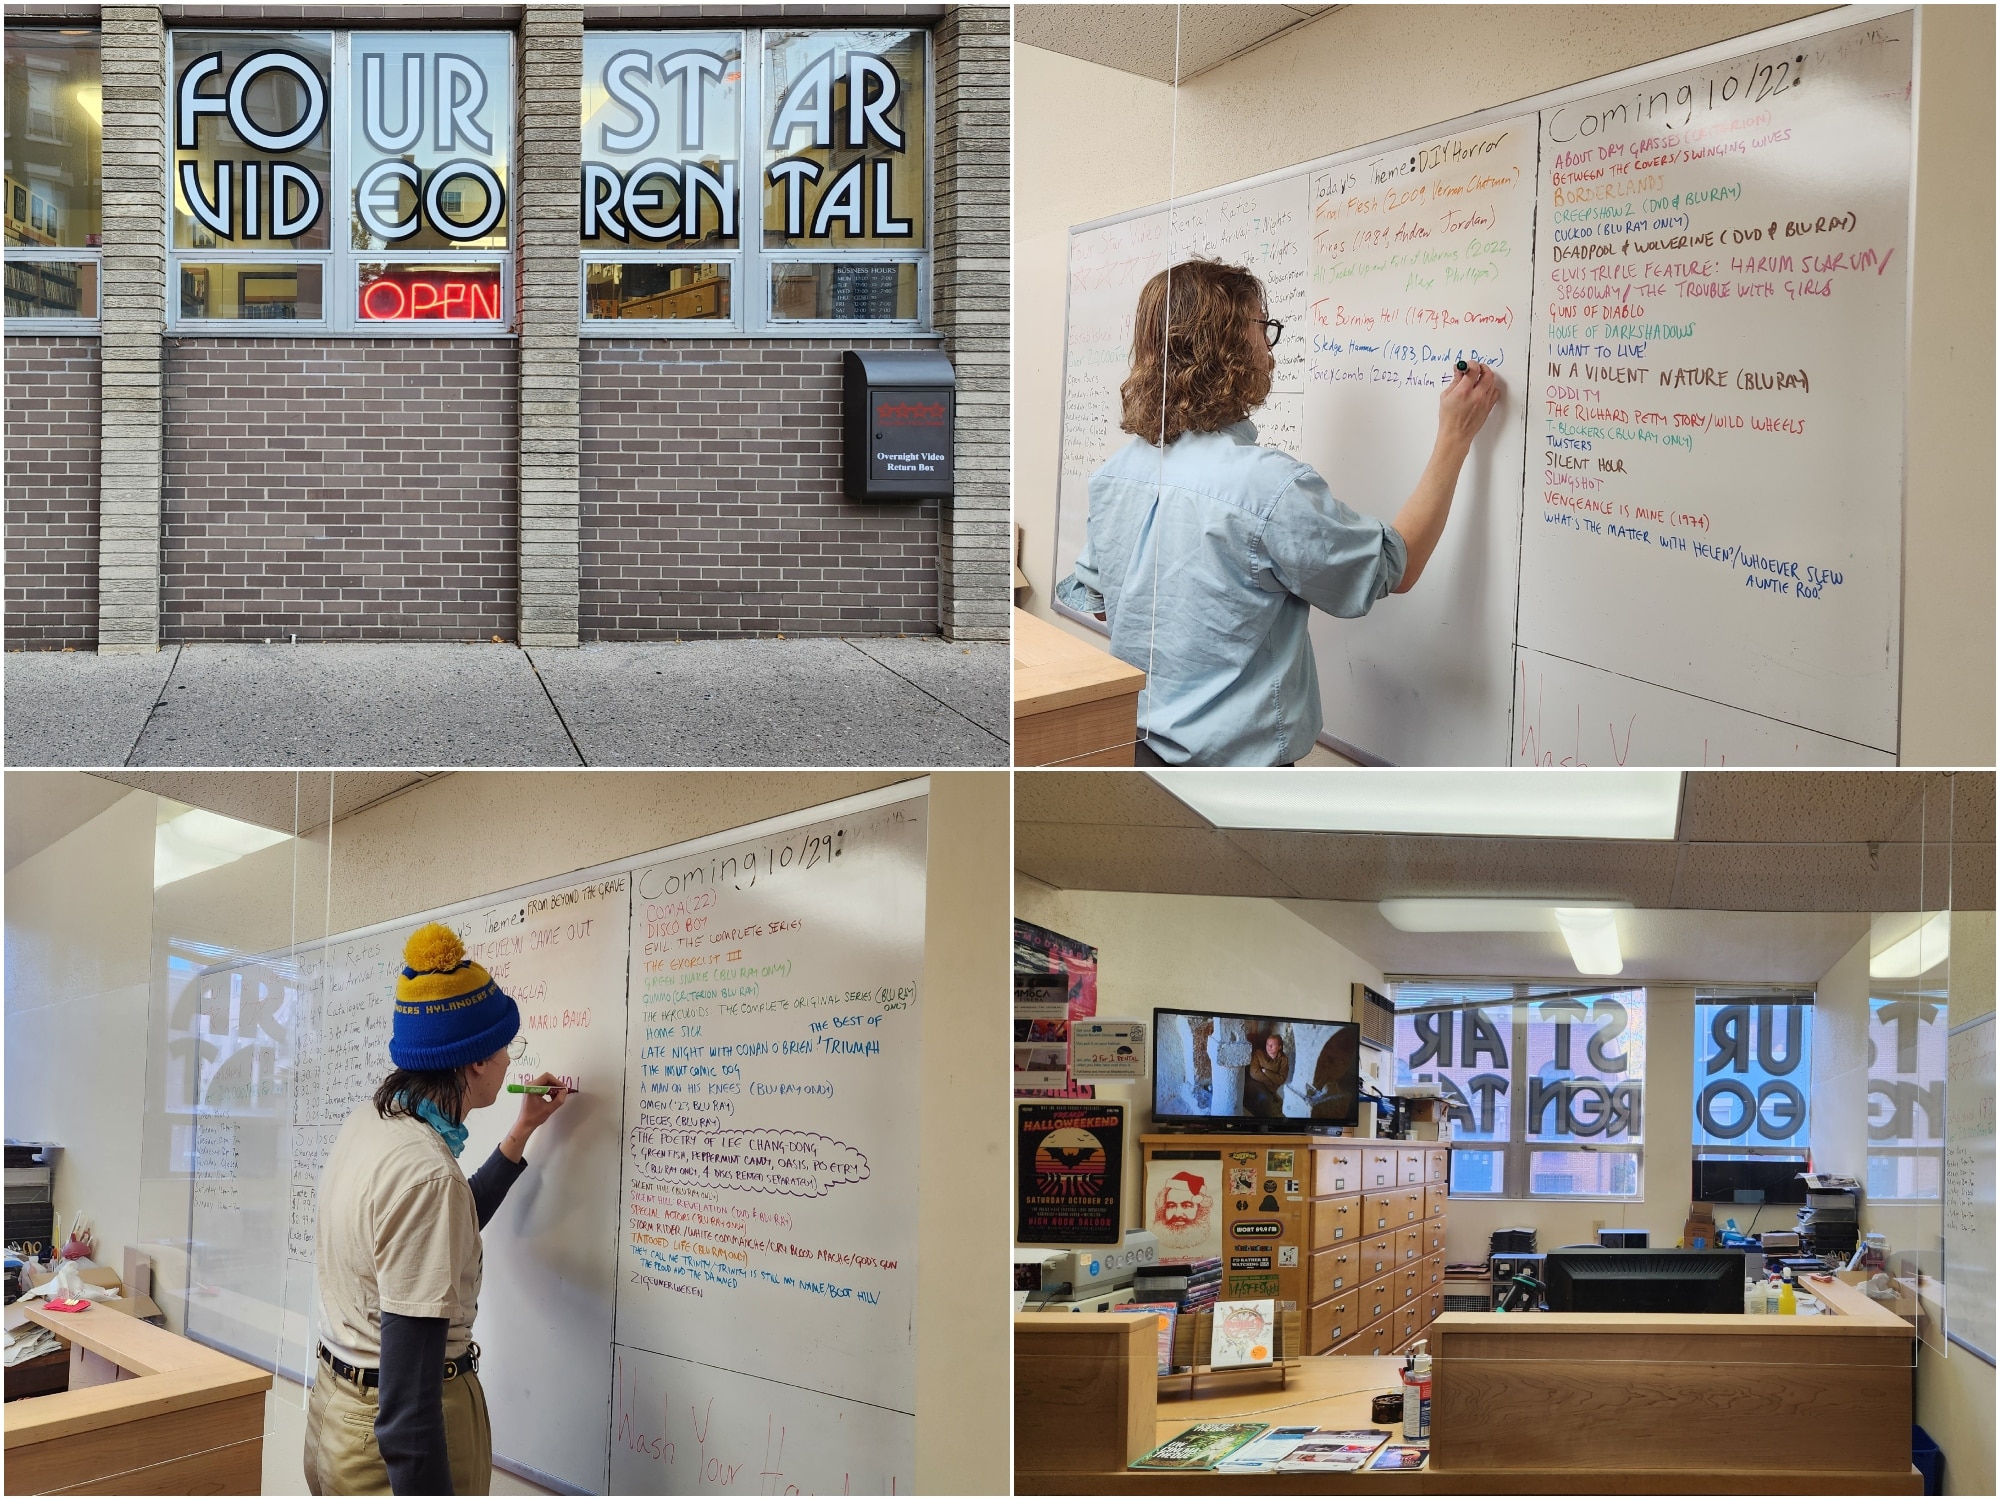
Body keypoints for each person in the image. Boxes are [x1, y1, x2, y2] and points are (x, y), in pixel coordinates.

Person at [1057, 258, 1505, 765]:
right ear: (1225, 345)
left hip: (1135, 751)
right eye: (1260, 328)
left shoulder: (1115, 472)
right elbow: (1391, 569)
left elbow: (1098, 600)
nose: (1269, 349)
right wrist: (1455, 438)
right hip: (1239, 781)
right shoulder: (1268, 487)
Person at [304, 922, 570, 1496]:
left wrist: (519, 1135)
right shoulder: (426, 1175)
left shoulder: (374, 1124)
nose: (507, 1060)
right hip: (391, 1443)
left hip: (339, 1412)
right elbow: (409, 1409)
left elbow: (430, 1235)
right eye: (505, 1047)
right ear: (473, 1062)